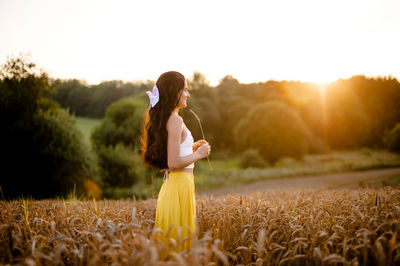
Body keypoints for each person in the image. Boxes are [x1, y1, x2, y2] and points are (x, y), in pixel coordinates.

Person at [140, 71, 211, 252]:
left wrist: (192, 147)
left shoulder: (171, 119)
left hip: (179, 185)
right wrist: (199, 154)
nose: (188, 94)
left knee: (176, 248)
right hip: (178, 186)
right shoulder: (176, 120)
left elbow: (175, 151)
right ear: (174, 92)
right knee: (177, 249)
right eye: (185, 90)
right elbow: (173, 162)